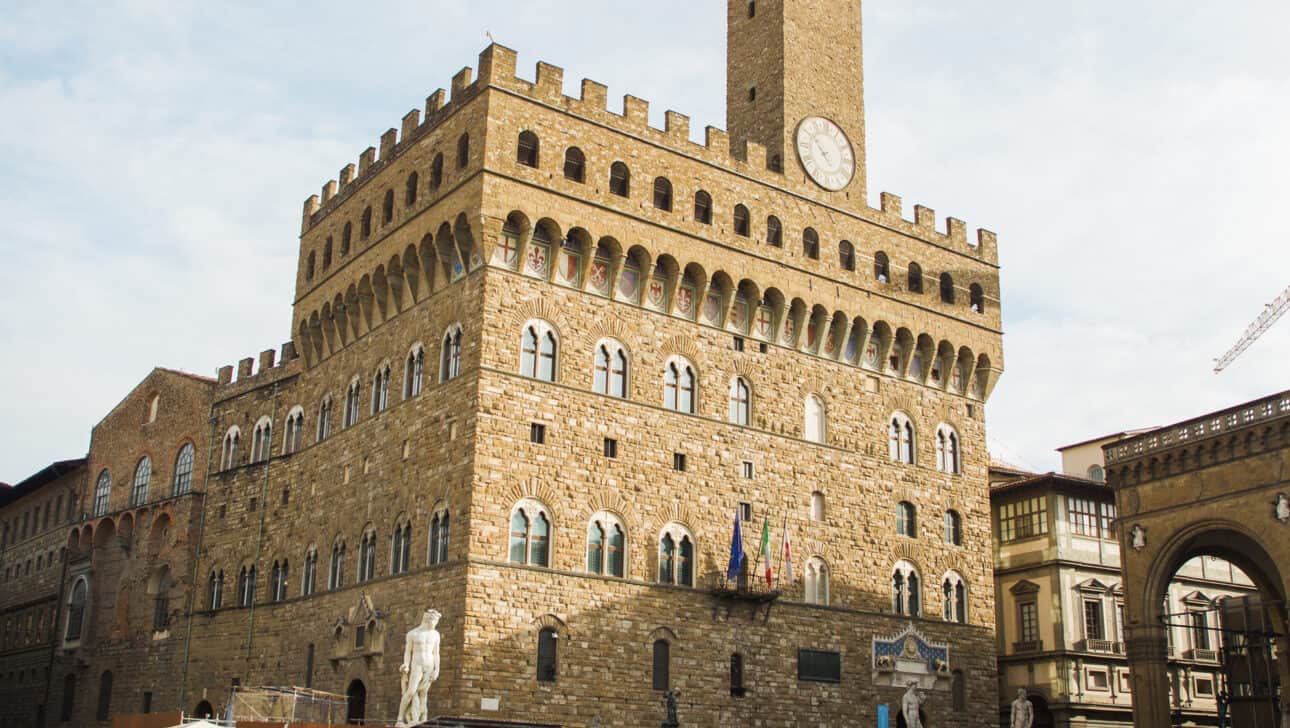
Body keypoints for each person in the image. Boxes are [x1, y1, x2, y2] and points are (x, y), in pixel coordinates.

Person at [396, 609, 442, 727]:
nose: (435, 624)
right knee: (411, 691)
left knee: (423, 693)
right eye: (435, 621)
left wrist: (437, 669)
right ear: (427, 619)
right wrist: (406, 664)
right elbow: (408, 652)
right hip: (417, 664)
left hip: (429, 665)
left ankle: (421, 718)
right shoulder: (413, 634)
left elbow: (436, 653)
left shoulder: (435, 634)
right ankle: (400, 718)